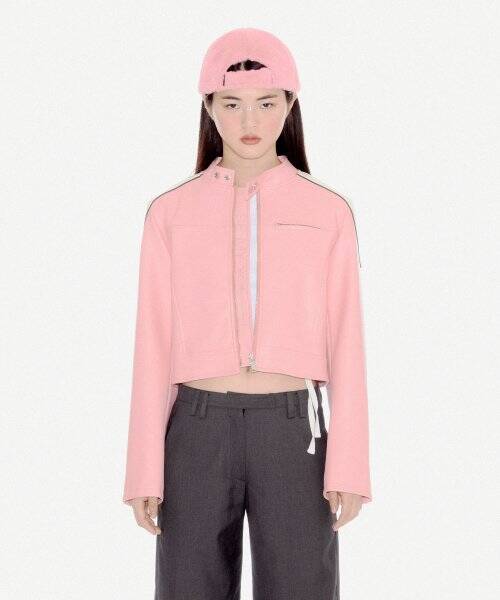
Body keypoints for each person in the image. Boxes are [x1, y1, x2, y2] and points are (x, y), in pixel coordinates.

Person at [122, 27, 372, 599]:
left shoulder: (328, 212)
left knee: (303, 587)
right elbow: (151, 343)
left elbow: (347, 342)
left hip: (293, 431)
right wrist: (144, 469)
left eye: (266, 102)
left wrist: (350, 465)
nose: (249, 119)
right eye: (231, 104)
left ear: (290, 105)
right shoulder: (170, 214)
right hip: (196, 429)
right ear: (209, 108)